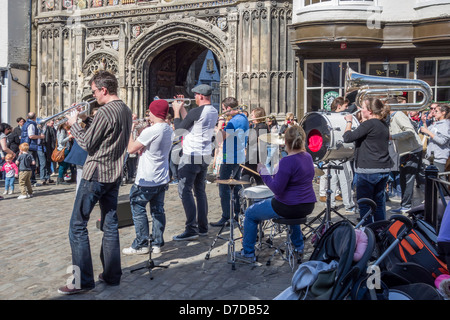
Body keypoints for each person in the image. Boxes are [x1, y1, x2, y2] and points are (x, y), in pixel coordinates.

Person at [58, 70, 132, 295]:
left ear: (103, 89)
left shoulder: (106, 111)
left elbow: (88, 143)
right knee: (110, 225)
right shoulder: (125, 109)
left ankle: (82, 280)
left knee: (77, 225)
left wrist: (74, 124)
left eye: (94, 92)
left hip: (96, 173)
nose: (93, 96)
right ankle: (112, 274)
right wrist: (86, 119)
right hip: (114, 173)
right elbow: (107, 131)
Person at [236, 125, 316, 262]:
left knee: (250, 213)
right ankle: (299, 246)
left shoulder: (287, 161)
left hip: (288, 206)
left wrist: (263, 172)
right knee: (291, 211)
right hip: (307, 205)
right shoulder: (308, 157)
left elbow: (277, 189)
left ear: (285, 142)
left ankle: (248, 253)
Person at [122, 99, 173, 255]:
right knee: (158, 211)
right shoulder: (169, 129)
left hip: (147, 178)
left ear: (154, 112)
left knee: (138, 210)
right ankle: (157, 243)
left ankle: (142, 244)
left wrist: (130, 130)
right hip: (162, 176)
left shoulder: (151, 130)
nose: (148, 114)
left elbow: (130, 149)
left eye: (150, 111)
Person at [171, 84, 218, 241]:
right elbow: (192, 123)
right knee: (200, 191)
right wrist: (184, 110)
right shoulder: (213, 110)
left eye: (196, 95)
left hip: (191, 156)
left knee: (185, 191)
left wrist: (176, 111)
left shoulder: (197, 111)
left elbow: (179, 130)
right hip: (204, 155)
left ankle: (191, 228)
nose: (195, 98)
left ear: (201, 96)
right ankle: (203, 227)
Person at [343, 98, 392, 224]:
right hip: (383, 168)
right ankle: (380, 230)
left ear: (370, 111)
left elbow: (347, 137)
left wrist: (349, 122)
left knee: (365, 204)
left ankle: (368, 232)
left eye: (363, 108)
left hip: (368, 170)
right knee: (379, 203)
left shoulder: (369, 124)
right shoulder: (383, 124)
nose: (360, 109)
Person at [210, 97, 249, 227]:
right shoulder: (243, 118)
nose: (223, 112)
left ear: (228, 108)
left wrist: (219, 126)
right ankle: (238, 213)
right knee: (236, 185)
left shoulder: (234, 121)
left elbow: (221, 138)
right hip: (238, 156)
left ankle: (226, 216)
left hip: (230, 157)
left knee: (223, 187)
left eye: (223, 109)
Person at [386, 98, 424, 214]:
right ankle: (405, 204)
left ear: (389, 106)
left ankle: (406, 205)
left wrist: (393, 136)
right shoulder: (394, 116)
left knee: (407, 179)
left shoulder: (398, 116)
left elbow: (410, 131)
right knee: (405, 179)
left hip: (411, 151)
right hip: (407, 151)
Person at [420, 104, 450, 173]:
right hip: (431, 157)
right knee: (431, 179)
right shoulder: (437, 123)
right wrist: (424, 122)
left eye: (436, 111)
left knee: (439, 179)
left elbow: (442, 141)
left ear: (443, 113)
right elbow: (427, 132)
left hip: (439, 157)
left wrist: (428, 131)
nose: (434, 113)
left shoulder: (445, 125)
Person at [241, 107, 267, 185]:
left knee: (245, 176)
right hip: (253, 156)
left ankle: (249, 195)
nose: (251, 117)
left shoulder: (262, 127)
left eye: (252, 115)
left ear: (257, 116)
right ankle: (261, 194)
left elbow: (255, 141)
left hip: (255, 156)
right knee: (257, 177)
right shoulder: (256, 127)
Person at [21, 112, 45, 186]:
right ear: (34, 117)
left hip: (28, 145)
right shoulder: (31, 124)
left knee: (29, 164)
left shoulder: (26, 123)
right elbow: (31, 136)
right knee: (31, 164)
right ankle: (32, 181)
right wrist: (40, 137)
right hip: (31, 146)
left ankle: (30, 180)